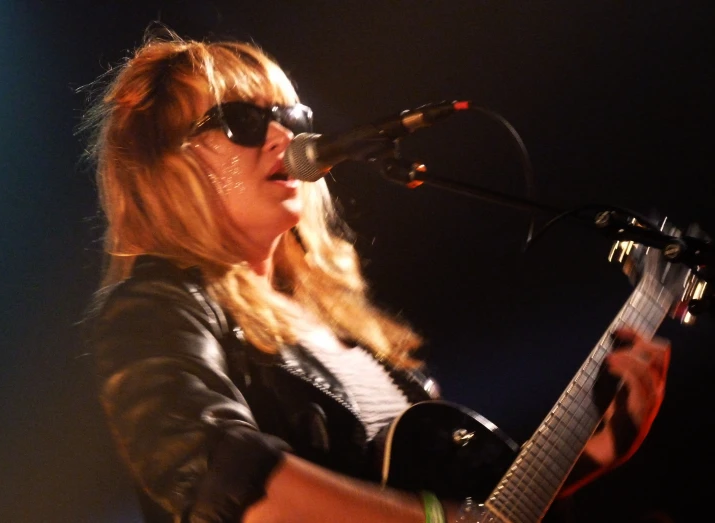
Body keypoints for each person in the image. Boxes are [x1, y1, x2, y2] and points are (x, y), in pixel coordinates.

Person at [81, 27, 671, 523]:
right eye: (241, 121)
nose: (285, 136)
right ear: (165, 167)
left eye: (290, 115)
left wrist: (593, 453)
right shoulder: (154, 309)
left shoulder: (339, 326)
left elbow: (472, 509)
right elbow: (222, 475)